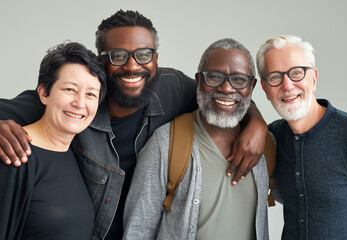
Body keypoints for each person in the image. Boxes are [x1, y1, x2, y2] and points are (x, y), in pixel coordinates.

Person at [0, 10, 267, 239]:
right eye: (118, 55)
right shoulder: (77, 104)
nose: (132, 66)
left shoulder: (174, 88)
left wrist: (257, 123)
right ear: (100, 61)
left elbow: (224, 94)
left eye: (143, 54)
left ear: (156, 60)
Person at [123, 38, 269, 240]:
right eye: (214, 77)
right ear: (199, 81)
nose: (226, 88)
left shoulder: (264, 147)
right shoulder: (165, 144)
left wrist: (259, 124)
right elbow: (137, 231)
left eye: (239, 79)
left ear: (251, 86)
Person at [256, 35, 347, 239]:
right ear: (265, 89)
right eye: (275, 77)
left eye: (296, 73)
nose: (287, 86)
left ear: (313, 78)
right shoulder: (272, 139)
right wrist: (253, 119)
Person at [0, 42, 106, 239]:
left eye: (91, 94)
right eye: (69, 89)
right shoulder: (14, 153)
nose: (80, 103)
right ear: (44, 94)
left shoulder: (78, 156)